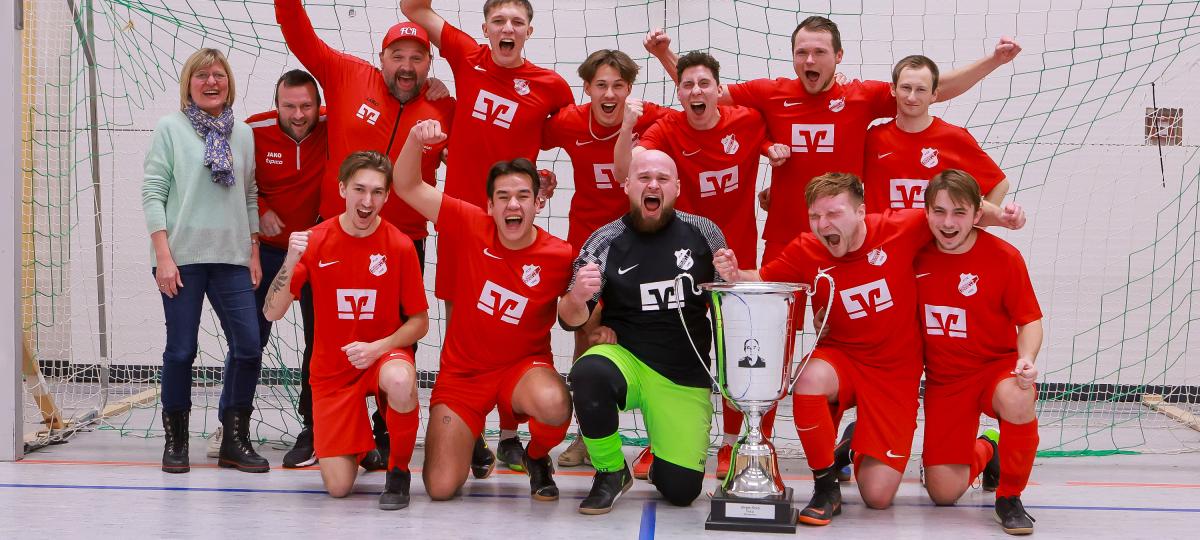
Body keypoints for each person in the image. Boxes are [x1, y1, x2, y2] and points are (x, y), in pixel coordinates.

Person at [713, 172, 1025, 525]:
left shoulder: (900, 227)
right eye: (816, 216)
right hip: (842, 358)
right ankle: (826, 486)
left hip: (894, 374)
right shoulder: (806, 249)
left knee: (879, 497)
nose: (823, 224)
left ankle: (986, 446)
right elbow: (765, 276)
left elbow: (951, 209)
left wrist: (1002, 216)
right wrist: (735, 272)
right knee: (809, 378)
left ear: (861, 212)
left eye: (834, 214)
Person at [276, 0, 455, 469]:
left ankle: (380, 435)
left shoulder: (443, 106)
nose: (407, 65)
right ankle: (315, 428)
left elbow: (478, 156)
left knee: (400, 342)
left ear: (429, 64)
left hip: (403, 243)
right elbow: (301, 38)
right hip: (333, 237)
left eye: (417, 57)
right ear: (382, 59)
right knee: (321, 338)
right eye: (398, 55)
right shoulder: (347, 74)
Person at [717, 15, 1020, 260]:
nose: (810, 60)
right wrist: (765, 147)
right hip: (785, 234)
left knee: (839, 325)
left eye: (820, 52)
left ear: (838, 56)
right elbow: (703, 95)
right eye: (802, 52)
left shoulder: (861, 96)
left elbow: (933, 89)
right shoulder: (770, 92)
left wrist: (993, 61)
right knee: (779, 326)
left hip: (845, 237)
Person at [615, 50, 788, 477]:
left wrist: (771, 155)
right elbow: (627, 170)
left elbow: (775, 145)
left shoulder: (747, 121)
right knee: (674, 344)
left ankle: (736, 443)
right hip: (681, 258)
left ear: (718, 91)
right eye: (687, 85)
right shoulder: (667, 127)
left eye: (703, 84)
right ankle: (662, 441)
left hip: (736, 259)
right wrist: (625, 128)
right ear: (678, 92)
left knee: (740, 351)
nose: (696, 91)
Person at [392, 120, 574, 502]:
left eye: (524, 196)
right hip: (464, 375)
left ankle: (537, 457)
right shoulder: (469, 223)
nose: (513, 204)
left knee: (555, 402)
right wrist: (413, 140)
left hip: (521, 371)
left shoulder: (560, 255)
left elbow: (575, 317)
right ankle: (469, 437)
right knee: (441, 488)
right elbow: (406, 185)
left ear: (538, 202)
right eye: (503, 196)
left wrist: (591, 314)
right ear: (489, 204)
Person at [561, 149, 728, 515]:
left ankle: (665, 456)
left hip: (682, 374)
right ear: (627, 186)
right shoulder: (604, 240)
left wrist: (731, 279)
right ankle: (610, 471)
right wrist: (576, 296)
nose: (653, 184)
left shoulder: (705, 232)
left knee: (681, 491)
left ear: (677, 188)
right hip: (627, 360)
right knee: (589, 371)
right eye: (644, 177)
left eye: (663, 179)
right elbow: (569, 319)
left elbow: (727, 305)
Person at [263, 150, 428, 510]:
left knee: (401, 380)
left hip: (381, 356)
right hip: (333, 372)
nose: (367, 201)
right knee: (338, 488)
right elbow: (272, 311)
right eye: (359, 189)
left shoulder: (400, 245)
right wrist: (291, 260)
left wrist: (377, 347)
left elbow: (419, 323)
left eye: (378, 192)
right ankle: (359, 441)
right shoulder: (316, 239)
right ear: (342, 189)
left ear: (387, 196)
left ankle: (398, 472)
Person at [539, 41, 676, 470]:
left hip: (641, 245)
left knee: (651, 334)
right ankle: (588, 433)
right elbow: (524, 132)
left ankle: (661, 440)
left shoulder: (650, 116)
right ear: (587, 88)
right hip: (588, 245)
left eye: (619, 85)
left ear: (630, 89)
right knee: (587, 334)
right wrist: (538, 177)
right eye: (601, 85)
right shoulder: (568, 122)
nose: (610, 94)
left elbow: (700, 109)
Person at [142, 48, 268, 474]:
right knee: (181, 351)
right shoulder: (170, 128)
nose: (211, 82)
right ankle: (175, 441)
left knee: (249, 347)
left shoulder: (244, 134)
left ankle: (234, 439)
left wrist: (252, 248)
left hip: (232, 258)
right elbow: (153, 193)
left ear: (229, 81)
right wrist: (163, 256)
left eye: (218, 75)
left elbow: (249, 195)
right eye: (201, 75)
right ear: (188, 83)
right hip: (182, 258)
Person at [915, 170, 1042, 535]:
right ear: (926, 213)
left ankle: (1009, 497)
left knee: (1019, 396)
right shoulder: (914, 255)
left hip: (995, 370)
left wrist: (1026, 359)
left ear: (977, 214)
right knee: (943, 493)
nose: (948, 222)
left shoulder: (1004, 257)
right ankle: (988, 447)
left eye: (959, 212)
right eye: (939, 212)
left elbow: (1030, 320)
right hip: (945, 382)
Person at [239, 69, 325, 468]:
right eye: (289, 105)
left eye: (306, 105)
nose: (298, 113)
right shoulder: (253, 130)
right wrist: (261, 211)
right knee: (250, 339)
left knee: (319, 340)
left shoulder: (332, 123)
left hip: (318, 251)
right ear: (276, 105)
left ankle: (314, 426)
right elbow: (229, 183)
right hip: (269, 252)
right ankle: (234, 423)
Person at [862, 56, 1008, 213]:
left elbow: (999, 184)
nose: (912, 97)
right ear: (892, 89)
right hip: (883, 237)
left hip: (931, 238)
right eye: (905, 88)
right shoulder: (872, 139)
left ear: (934, 95)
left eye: (921, 89)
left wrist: (973, 229)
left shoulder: (954, 138)